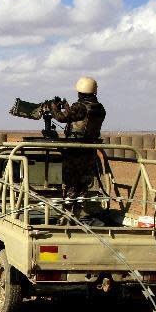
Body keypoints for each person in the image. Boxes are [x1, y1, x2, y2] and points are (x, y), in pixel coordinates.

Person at [46, 76, 106, 223]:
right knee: (83, 184)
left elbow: (61, 117)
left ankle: (66, 216)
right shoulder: (99, 108)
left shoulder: (79, 107)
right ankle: (77, 215)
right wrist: (67, 106)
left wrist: (53, 106)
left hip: (74, 151)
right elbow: (79, 117)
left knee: (70, 183)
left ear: (80, 91)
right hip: (89, 151)